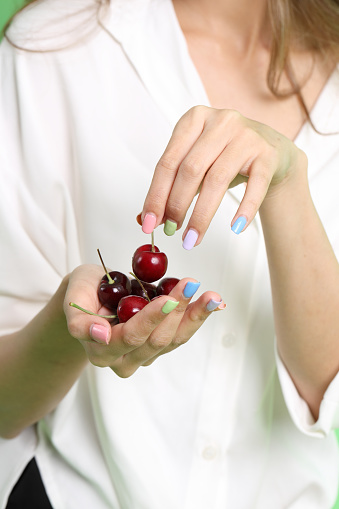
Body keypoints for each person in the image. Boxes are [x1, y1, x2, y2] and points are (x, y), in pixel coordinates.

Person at [0, 0, 339, 507]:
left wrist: (287, 187)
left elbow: (327, 395)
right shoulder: (57, 46)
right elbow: (4, 406)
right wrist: (68, 323)